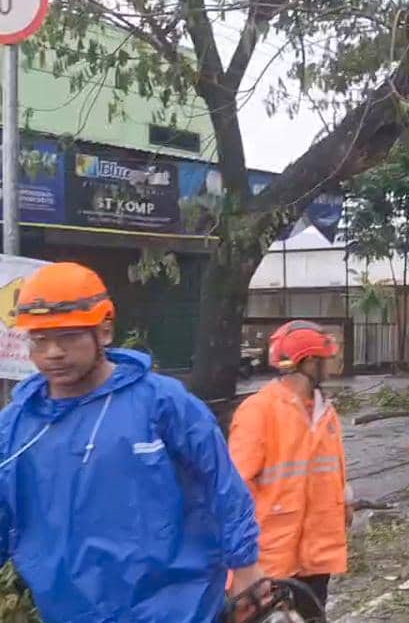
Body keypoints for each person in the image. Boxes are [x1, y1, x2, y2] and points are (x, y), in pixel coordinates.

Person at [0, 262, 264, 621]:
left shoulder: (163, 403)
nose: (52, 353)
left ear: (104, 330)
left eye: (67, 336)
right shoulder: (16, 426)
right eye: (39, 339)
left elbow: (222, 485)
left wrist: (246, 566)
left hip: (178, 608)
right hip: (71, 611)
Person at [229, 320, 351, 619]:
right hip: (271, 562)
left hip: (315, 557)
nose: (330, 366)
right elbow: (233, 489)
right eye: (325, 359)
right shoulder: (259, 411)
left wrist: (345, 499)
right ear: (309, 362)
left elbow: (335, 467)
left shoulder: (325, 411)